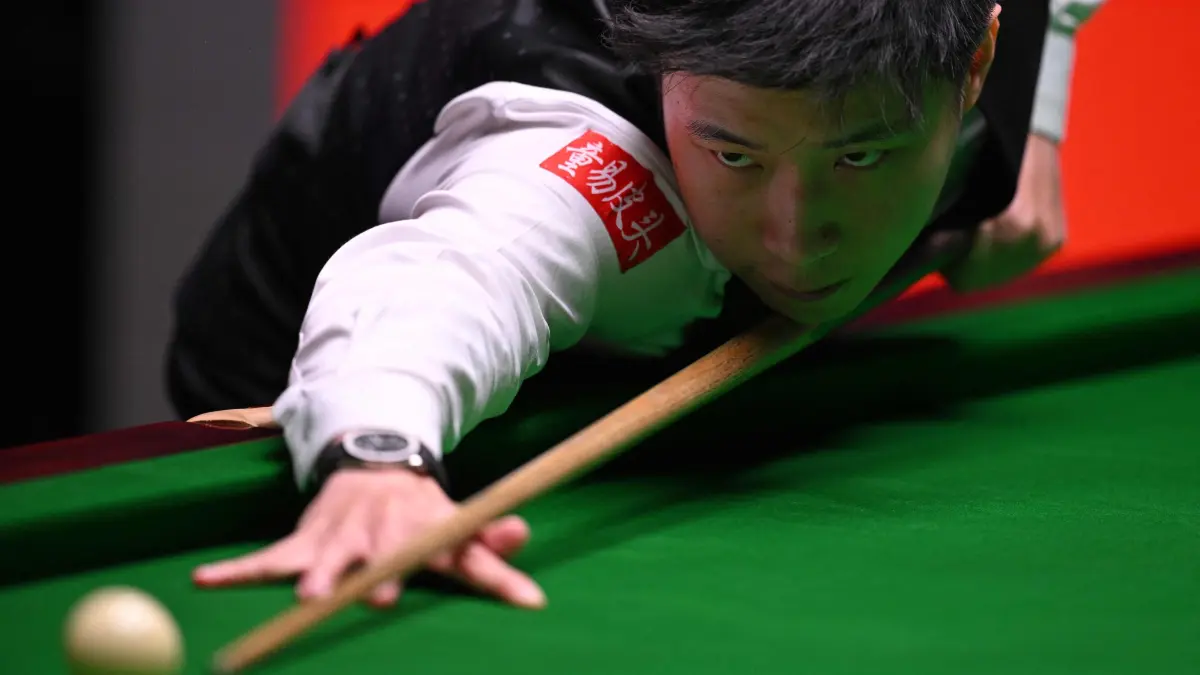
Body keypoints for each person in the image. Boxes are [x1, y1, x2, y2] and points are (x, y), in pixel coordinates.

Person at [171, 0, 1104, 610]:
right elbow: (450, 279)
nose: (794, 237)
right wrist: (376, 453)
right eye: (734, 154)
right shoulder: (580, 170)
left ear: (977, 58)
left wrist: (1037, 112)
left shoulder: (969, 36)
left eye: (862, 155)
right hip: (291, 342)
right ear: (669, 79)